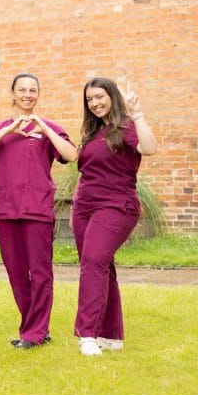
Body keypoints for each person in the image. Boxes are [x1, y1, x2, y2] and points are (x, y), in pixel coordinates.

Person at [0, 72, 77, 349]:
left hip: (38, 210)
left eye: (32, 90)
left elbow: (71, 155)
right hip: (8, 210)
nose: (27, 95)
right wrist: (10, 129)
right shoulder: (1, 127)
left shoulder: (49, 128)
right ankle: (34, 327)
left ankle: (34, 333)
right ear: (13, 93)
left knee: (40, 273)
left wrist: (44, 127)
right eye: (22, 90)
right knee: (16, 273)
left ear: (38, 94)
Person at [73, 78, 156, 356]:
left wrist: (138, 113)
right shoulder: (94, 131)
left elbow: (149, 148)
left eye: (99, 97)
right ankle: (111, 335)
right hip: (84, 206)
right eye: (89, 99)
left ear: (112, 96)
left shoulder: (127, 127)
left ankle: (87, 335)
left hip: (116, 205)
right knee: (101, 266)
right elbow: (86, 170)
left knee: (93, 261)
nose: (94, 103)